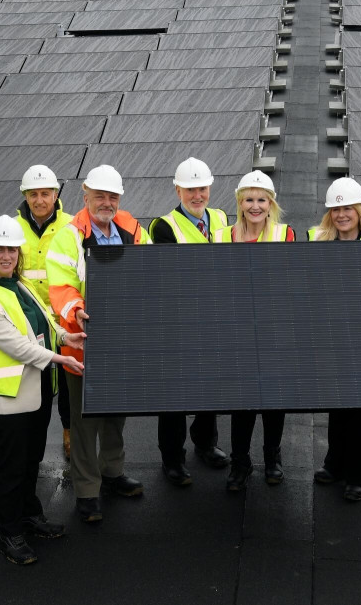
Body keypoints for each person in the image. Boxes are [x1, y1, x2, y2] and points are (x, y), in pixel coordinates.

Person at [0, 216, 85, 565]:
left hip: (36, 389)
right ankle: (10, 533)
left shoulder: (21, 285)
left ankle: (29, 515)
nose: (6, 256)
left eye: (11, 250)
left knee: (31, 460)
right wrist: (62, 358)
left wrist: (64, 336)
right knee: (11, 466)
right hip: (9, 397)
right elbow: (19, 347)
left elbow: (42, 323)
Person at [47, 165, 147, 523]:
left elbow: (149, 271)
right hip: (82, 344)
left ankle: (113, 472)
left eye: (112, 197)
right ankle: (87, 490)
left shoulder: (133, 228)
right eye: (99, 196)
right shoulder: (68, 236)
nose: (106, 203)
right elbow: (60, 287)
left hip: (121, 343)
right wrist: (76, 311)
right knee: (85, 420)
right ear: (85, 195)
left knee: (115, 414)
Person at [149, 158, 231, 486]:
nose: (197, 195)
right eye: (190, 189)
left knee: (208, 386)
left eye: (202, 188)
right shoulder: (163, 226)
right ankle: (172, 457)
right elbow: (171, 278)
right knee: (175, 393)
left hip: (213, 318)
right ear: (177, 189)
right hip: (179, 319)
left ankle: (205, 443)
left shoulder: (221, 218)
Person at [211, 170, 295, 491]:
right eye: (249, 199)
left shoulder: (285, 233)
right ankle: (240, 462)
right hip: (237, 330)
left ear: (271, 203)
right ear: (239, 202)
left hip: (273, 330)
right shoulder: (220, 236)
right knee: (241, 400)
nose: (255, 206)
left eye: (262, 200)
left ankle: (272, 457)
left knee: (275, 399)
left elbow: (286, 282)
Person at [308, 177, 361, 502]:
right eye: (336, 209)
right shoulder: (319, 241)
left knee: (356, 410)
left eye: (348, 208)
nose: (341, 214)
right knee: (337, 405)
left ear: (360, 210)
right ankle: (334, 464)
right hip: (331, 338)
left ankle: (358, 476)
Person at [13, 165, 74, 461]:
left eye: (45, 194)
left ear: (56, 194)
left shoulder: (73, 227)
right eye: (33, 194)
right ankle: (30, 440)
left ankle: (70, 432)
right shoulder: (11, 229)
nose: (39, 200)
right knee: (32, 381)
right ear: (25, 196)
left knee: (68, 380)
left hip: (65, 319)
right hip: (27, 321)